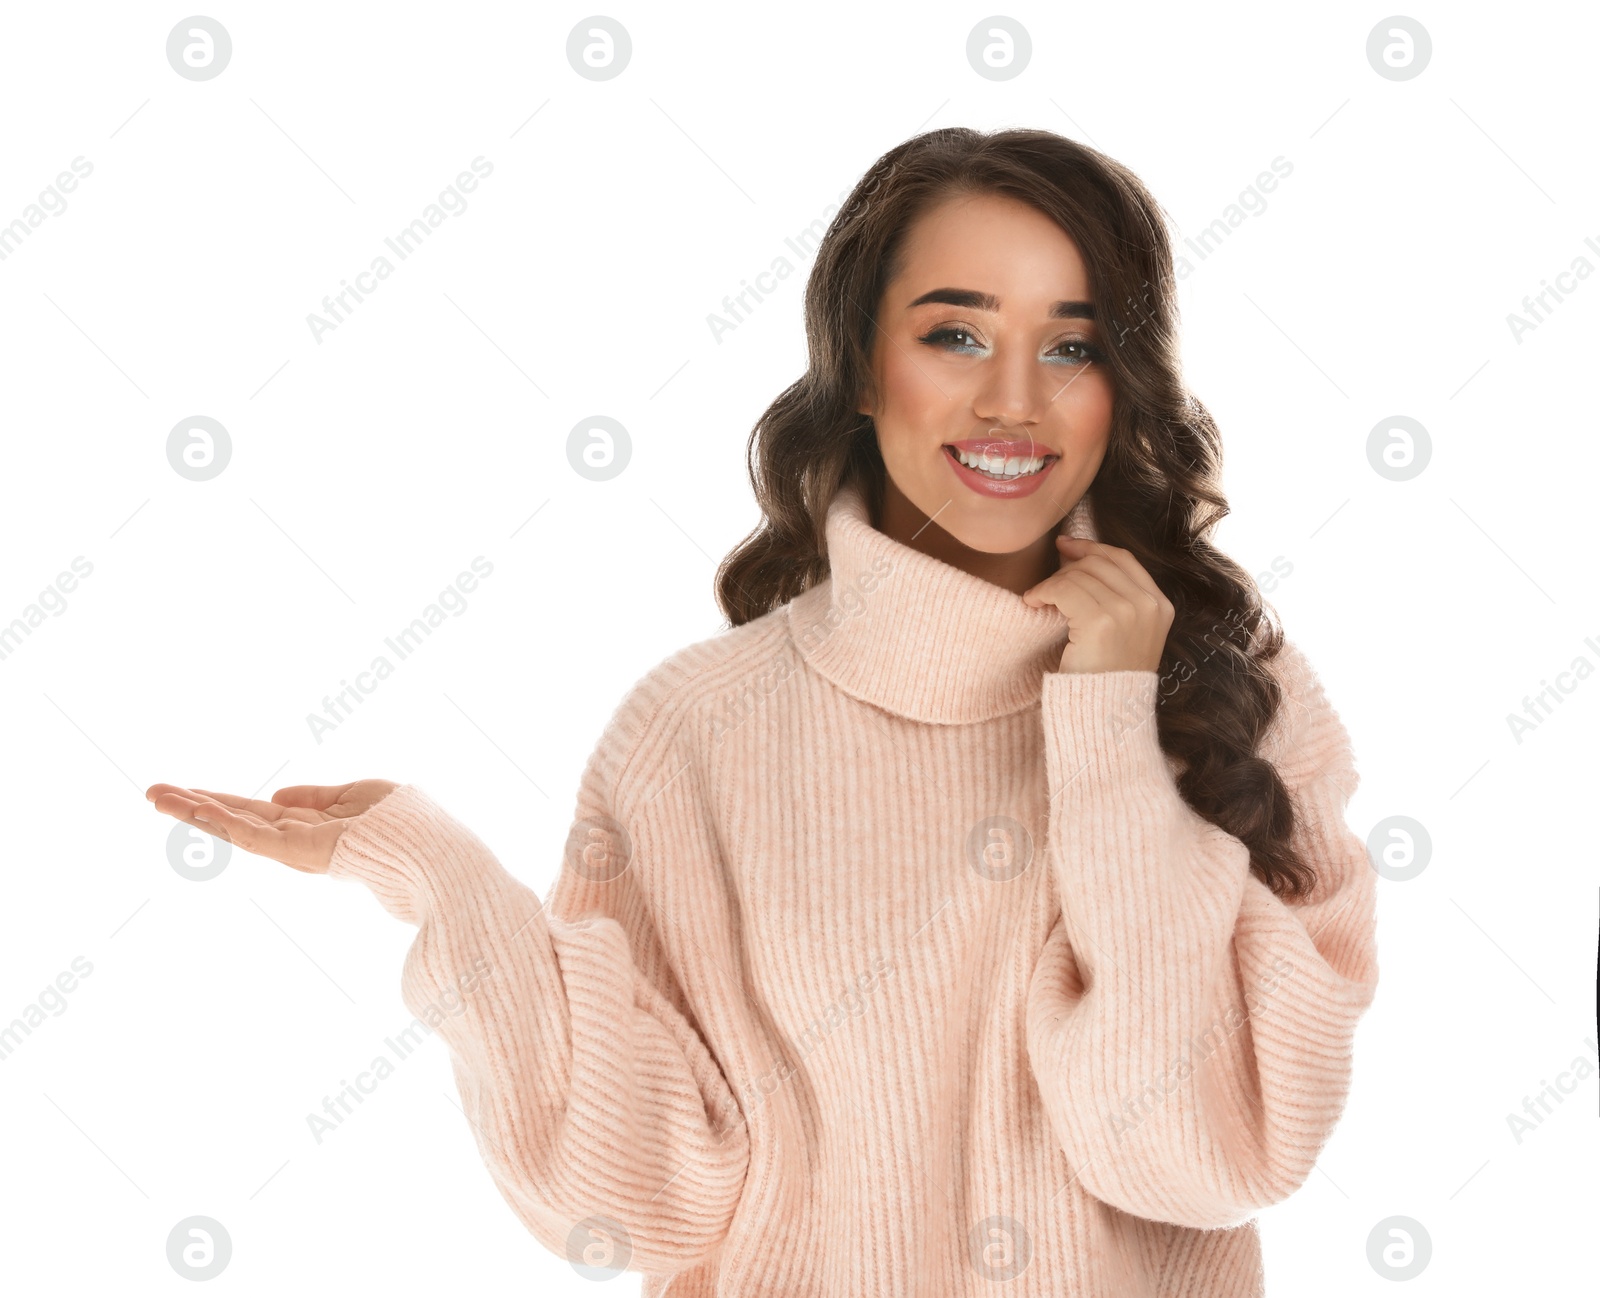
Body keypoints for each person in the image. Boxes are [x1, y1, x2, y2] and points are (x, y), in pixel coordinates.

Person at [147, 126, 1379, 1296]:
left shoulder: (1231, 688)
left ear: (1126, 383)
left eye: (1071, 345)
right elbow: (634, 1198)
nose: (1015, 399)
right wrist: (445, 879)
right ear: (856, 369)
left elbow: (1204, 1155)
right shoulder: (698, 728)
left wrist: (1109, 719)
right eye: (955, 334)